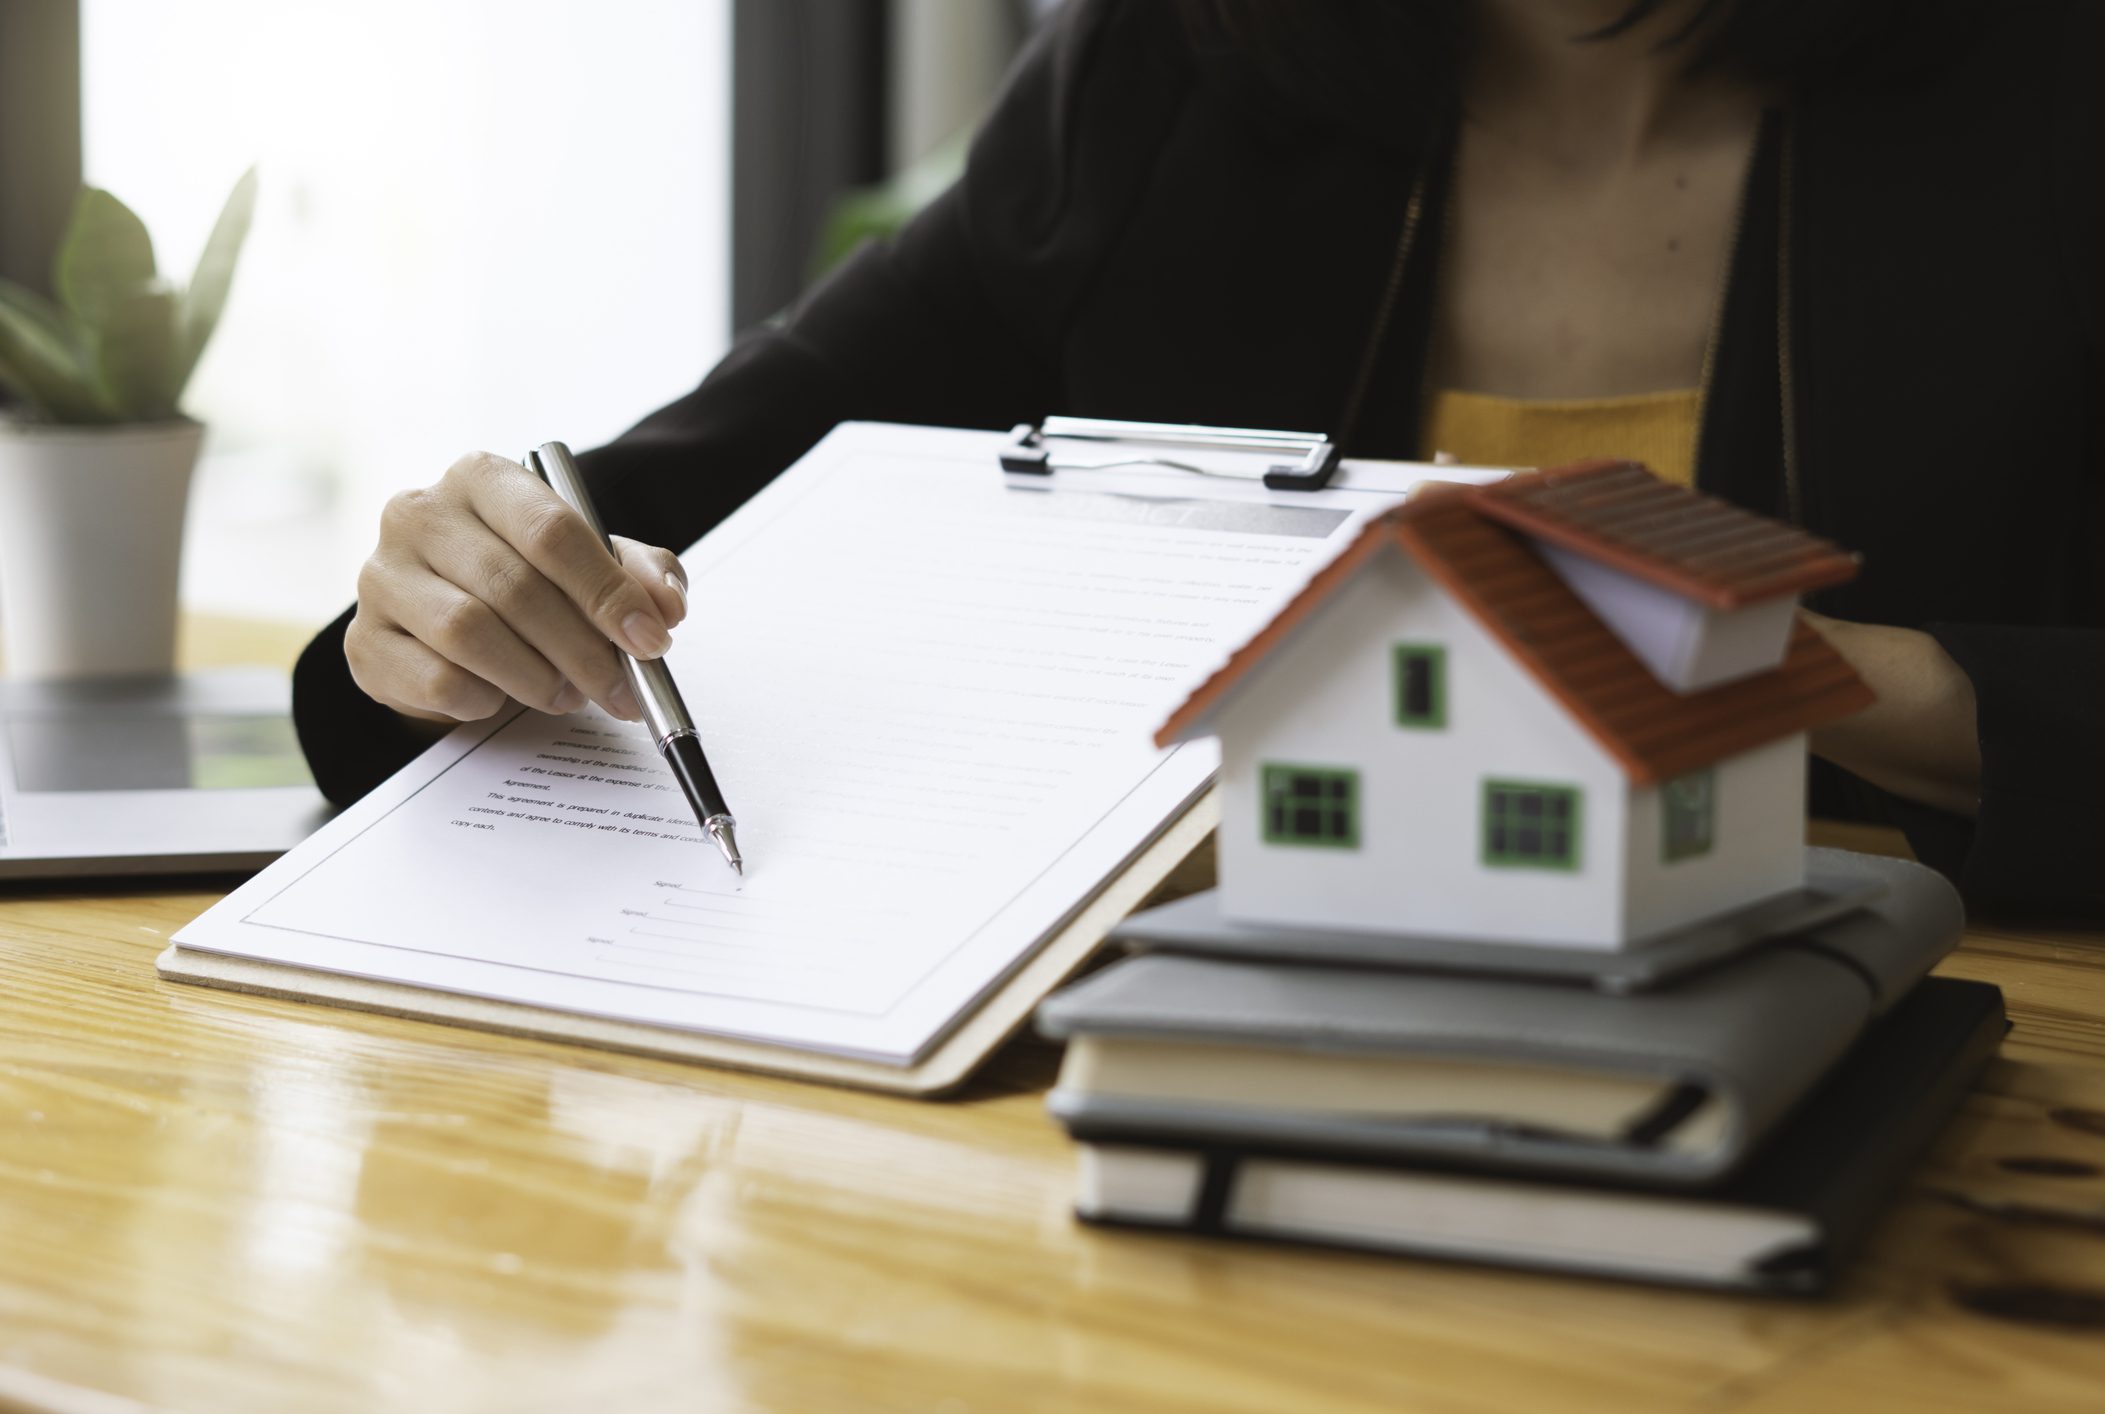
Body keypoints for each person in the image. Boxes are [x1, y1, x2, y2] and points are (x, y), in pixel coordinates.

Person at [300, 0, 2105, 915]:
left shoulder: (2042, 90)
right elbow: (677, 502)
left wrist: (1800, 675)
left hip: (1891, 1099)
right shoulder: (1188, 68)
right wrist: (446, 612)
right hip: (1192, 1093)